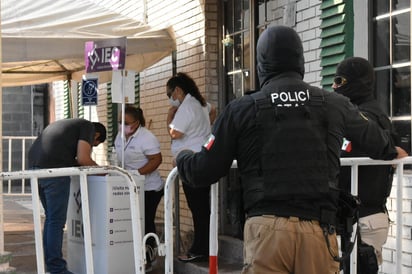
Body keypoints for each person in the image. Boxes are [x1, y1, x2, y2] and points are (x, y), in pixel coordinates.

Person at [175, 26, 407, 274]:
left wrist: (183, 157)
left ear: (261, 63)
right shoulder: (333, 103)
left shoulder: (242, 108)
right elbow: (377, 141)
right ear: (300, 60)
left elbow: (205, 170)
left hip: (266, 231)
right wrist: (393, 151)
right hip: (318, 232)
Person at [333, 57, 407, 274]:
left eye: (339, 80)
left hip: (364, 219)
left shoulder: (367, 117)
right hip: (354, 219)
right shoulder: (355, 114)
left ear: (355, 82)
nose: (334, 86)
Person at [28, 118, 106, 274]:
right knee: (56, 221)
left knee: (51, 219)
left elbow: (74, 159)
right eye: (93, 144)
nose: (91, 148)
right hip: (54, 171)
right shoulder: (88, 127)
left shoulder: (70, 125)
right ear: (95, 135)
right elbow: (83, 158)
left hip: (35, 167)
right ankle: (57, 269)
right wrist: (105, 171)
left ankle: (51, 265)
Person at [166, 72, 211, 262]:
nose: (170, 99)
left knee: (198, 208)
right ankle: (203, 247)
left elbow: (175, 133)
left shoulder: (186, 106)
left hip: (191, 163)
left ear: (178, 90)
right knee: (201, 208)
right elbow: (213, 111)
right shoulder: (199, 103)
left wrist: (169, 118)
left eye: (170, 94)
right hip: (200, 159)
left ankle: (200, 249)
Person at [114, 106, 164, 272]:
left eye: (125, 122)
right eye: (119, 121)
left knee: (145, 221)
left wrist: (136, 173)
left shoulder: (146, 138)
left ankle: (149, 257)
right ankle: (133, 255)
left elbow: (156, 160)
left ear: (136, 123)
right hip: (130, 185)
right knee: (133, 221)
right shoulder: (120, 136)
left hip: (150, 187)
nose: (121, 125)